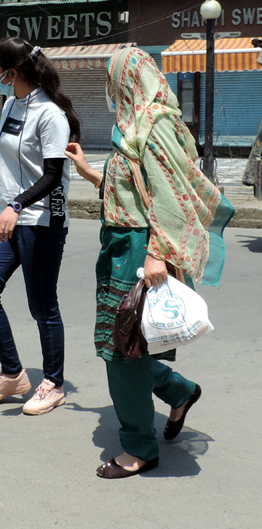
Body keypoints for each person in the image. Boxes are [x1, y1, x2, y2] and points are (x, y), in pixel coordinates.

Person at [65, 47, 235, 478]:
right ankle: (179, 393)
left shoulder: (153, 123)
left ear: (125, 80)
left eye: (110, 79)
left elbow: (169, 198)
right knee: (129, 344)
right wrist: (89, 172)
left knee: (121, 351)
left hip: (139, 249)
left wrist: (158, 251)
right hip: (122, 245)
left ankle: (140, 447)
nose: (107, 88)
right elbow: (135, 187)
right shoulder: (136, 121)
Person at [0, 37, 81, 416]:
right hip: (9, 217)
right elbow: (11, 168)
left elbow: (51, 175)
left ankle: (53, 383)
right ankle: (14, 373)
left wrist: (14, 205)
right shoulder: (10, 104)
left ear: (12, 73)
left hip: (43, 221)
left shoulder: (51, 115)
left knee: (42, 306)